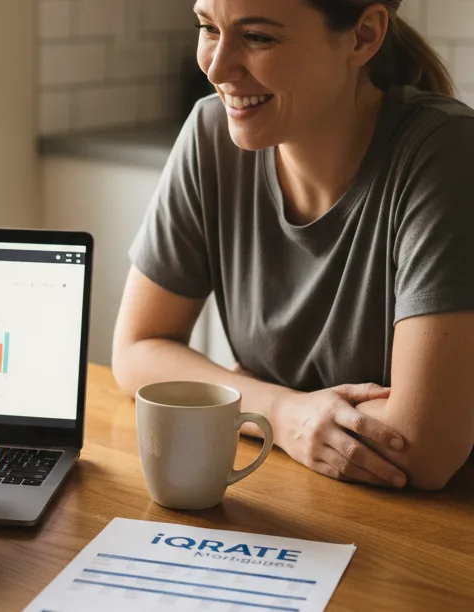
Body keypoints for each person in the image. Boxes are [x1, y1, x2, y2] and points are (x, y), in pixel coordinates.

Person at [113, 0, 474, 492]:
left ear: (363, 36)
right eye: (207, 28)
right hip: (292, 489)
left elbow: (423, 446)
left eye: (258, 37)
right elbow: (136, 352)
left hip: (438, 534)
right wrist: (281, 411)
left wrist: (231, 394)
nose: (217, 68)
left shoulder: (447, 154)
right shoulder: (210, 133)